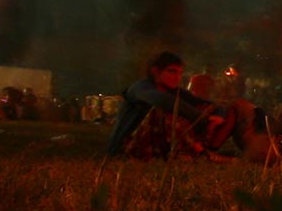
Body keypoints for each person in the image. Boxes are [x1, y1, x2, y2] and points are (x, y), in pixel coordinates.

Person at [106, 51, 249, 160]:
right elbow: (164, 101)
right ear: (156, 72)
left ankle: (209, 150)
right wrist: (203, 119)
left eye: (180, 73)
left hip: (161, 146)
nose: (177, 77)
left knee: (227, 108)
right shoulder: (141, 88)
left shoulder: (175, 91)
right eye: (172, 71)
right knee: (167, 110)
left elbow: (212, 104)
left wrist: (217, 115)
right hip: (128, 148)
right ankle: (201, 154)